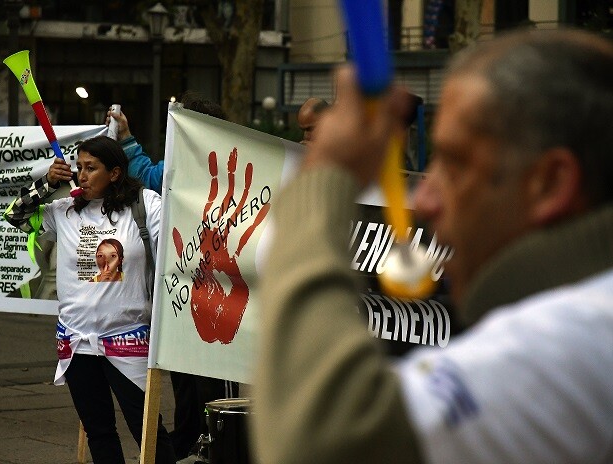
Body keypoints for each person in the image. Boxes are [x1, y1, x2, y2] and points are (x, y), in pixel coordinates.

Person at [251, 28, 613, 464]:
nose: (425, 199)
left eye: (456, 162)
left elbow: (323, 437)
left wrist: (323, 180)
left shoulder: (575, 339)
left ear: (550, 182)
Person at [4, 136, 176, 464]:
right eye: (79, 167)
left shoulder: (144, 205)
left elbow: (175, 234)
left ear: (114, 173)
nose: (81, 175)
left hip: (129, 339)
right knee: (99, 431)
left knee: (148, 431)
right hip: (76, 343)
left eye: (91, 168)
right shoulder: (63, 211)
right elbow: (15, 215)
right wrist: (46, 182)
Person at [107, 95, 240, 461]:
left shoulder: (236, 164)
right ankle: (187, 442)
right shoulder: (176, 165)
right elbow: (147, 174)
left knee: (213, 382)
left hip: (221, 298)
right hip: (182, 293)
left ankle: (223, 443)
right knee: (184, 377)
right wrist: (128, 138)